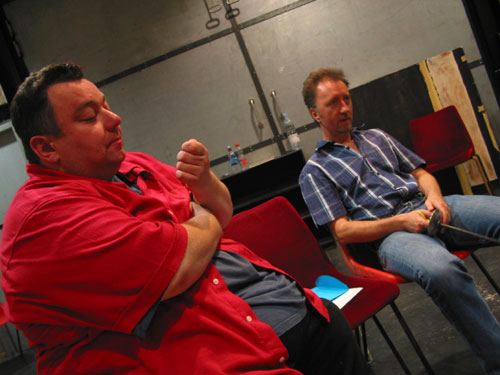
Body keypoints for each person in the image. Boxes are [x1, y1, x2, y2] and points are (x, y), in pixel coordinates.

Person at [0, 63, 369, 375]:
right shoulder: (44, 219)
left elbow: (223, 210)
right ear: (47, 148)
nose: (114, 119)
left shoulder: (134, 164)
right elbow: (177, 268)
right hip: (215, 353)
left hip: (284, 310)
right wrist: (200, 221)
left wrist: (205, 185)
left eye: (106, 105)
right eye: (88, 117)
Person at [299, 67, 500, 375]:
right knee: (442, 270)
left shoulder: (377, 137)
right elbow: (342, 230)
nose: (344, 108)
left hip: (429, 207)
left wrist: (435, 197)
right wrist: (401, 223)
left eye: (347, 99)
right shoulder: (315, 171)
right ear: (315, 113)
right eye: (333, 103)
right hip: (391, 235)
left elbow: (421, 174)